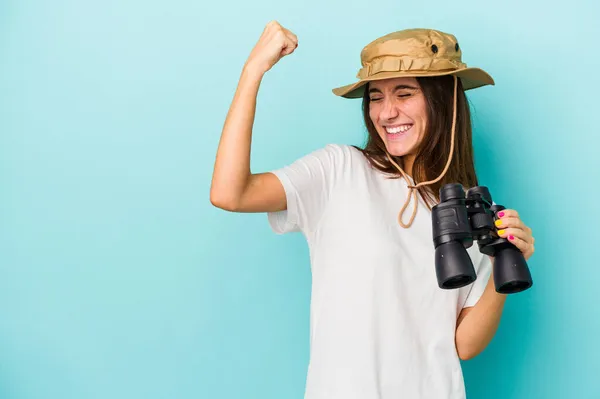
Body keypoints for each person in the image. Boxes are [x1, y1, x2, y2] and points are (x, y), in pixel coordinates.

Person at [210, 21, 536, 399]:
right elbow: (230, 193)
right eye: (376, 97)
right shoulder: (339, 171)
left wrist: (503, 262)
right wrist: (253, 71)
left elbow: (462, 344)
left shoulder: (470, 211)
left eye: (404, 93)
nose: (386, 112)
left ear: (443, 99)